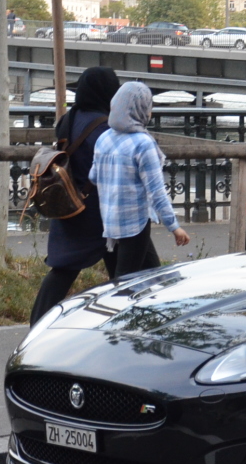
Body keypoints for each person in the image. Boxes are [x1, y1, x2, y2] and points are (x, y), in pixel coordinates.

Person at [29, 67, 121, 325]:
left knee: (66, 266)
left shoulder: (70, 118)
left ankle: (37, 321)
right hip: (95, 209)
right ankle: (130, 320)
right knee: (128, 265)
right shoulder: (104, 127)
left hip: (68, 202)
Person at [90, 81, 190, 281]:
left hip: (109, 223)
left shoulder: (104, 138)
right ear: (140, 109)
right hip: (135, 225)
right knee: (125, 285)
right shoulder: (143, 144)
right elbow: (156, 192)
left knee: (154, 278)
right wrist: (174, 226)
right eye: (148, 106)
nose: (150, 112)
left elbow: (93, 176)